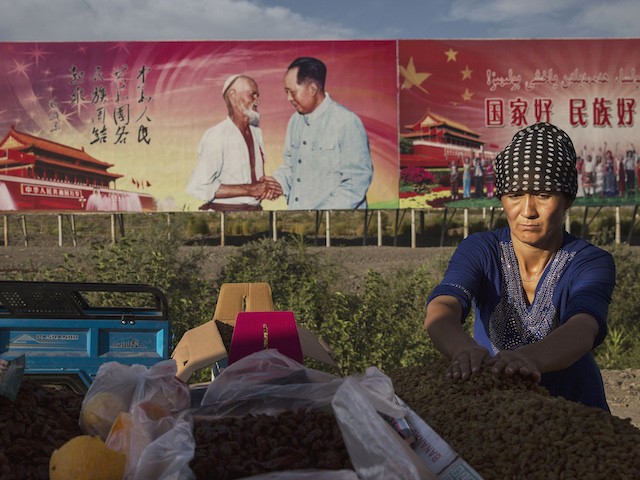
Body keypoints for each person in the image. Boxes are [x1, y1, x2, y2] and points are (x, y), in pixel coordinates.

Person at [423, 122, 616, 411]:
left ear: (567, 200)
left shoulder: (590, 261)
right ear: (501, 198)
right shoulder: (481, 249)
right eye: (515, 195)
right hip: (500, 411)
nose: (527, 211)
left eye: (543, 195)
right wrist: (463, 349)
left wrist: (531, 358)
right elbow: (444, 306)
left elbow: (584, 325)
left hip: (576, 411)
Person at [268, 57, 373, 210]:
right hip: (299, 220)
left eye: (292, 92)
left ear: (312, 89)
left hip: (336, 222)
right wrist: (275, 183)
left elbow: (357, 181)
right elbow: (291, 167)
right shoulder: (295, 121)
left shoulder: (346, 121)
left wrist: (319, 217)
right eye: (286, 92)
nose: (288, 98)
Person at [185, 74, 282, 211]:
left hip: (256, 213)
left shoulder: (257, 134)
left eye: (257, 96)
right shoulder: (217, 135)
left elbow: (255, 185)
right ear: (233, 96)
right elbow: (198, 186)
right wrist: (250, 190)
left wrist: (267, 189)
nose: (257, 101)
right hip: (224, 215)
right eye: (252, 95)